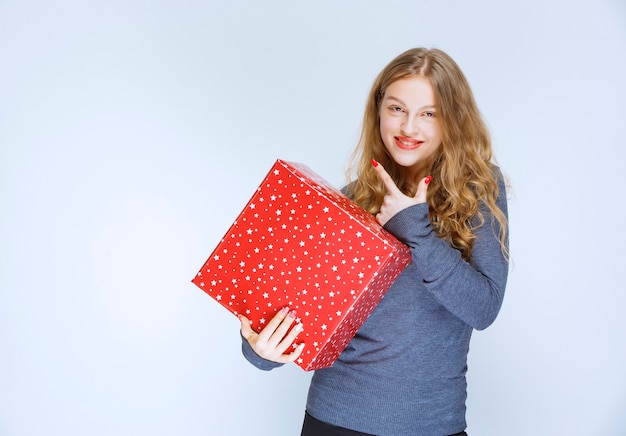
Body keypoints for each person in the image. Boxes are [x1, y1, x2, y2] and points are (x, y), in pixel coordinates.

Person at [238, 47, 509, 436]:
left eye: (428, 113)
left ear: (453, 119)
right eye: (397, 109)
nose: (409, 127)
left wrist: (415, 227)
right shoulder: (349, 200)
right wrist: (259, 351)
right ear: (379, 110)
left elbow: (483, 309)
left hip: (434, 425)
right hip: (335, 420)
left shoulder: (479, 190)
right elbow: (299, 313)